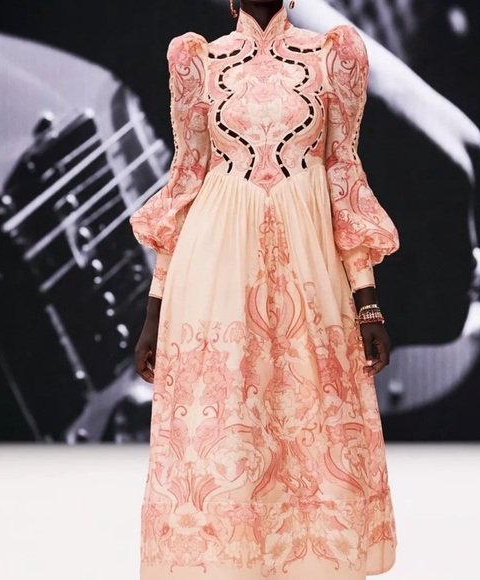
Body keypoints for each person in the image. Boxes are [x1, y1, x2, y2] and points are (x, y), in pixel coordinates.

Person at [129, 1, 399, 577]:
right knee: (227, 418)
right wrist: (155, 307)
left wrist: (367, 299)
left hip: (309, 265)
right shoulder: (199, 62)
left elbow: (343, 174)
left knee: (309, 419)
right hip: (213, 269)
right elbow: (185, 181)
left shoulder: (331, 57)